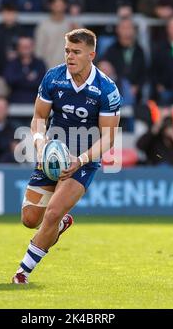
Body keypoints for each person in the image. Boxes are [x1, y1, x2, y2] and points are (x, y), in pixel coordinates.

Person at [12, 28, 121, 284]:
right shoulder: (53, 77)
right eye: (67, 51)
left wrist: (80, 160)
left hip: (83, 160)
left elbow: (109, 137)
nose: (70, 56)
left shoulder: (106, 89)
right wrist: (40, 143)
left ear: (91, 55)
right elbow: (39, 118)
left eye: (76, 52)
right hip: (52, 155)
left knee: (51, 214)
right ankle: (60, 226)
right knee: (30, 220)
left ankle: (22, 272)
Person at [3, 36, 46, 104]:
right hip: (15, 102)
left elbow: (42, 84)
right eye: (23, 46)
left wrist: (20, 80)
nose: (26, 48)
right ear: (18, 48)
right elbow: (9, 80)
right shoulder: (12, 63)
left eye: (28, 46)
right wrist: (26, 76)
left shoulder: (39, 63)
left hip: (36, 102)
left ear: (33, 47)